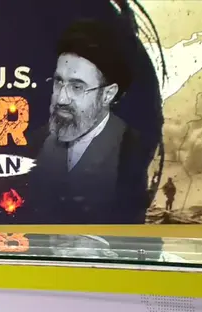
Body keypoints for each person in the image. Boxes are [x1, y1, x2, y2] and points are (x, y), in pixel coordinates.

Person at [28, 20, 150, 224]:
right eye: (59, 82)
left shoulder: (133, 152)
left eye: (77, 87)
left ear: (108, 95)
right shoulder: (34, 144)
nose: (61, 98)